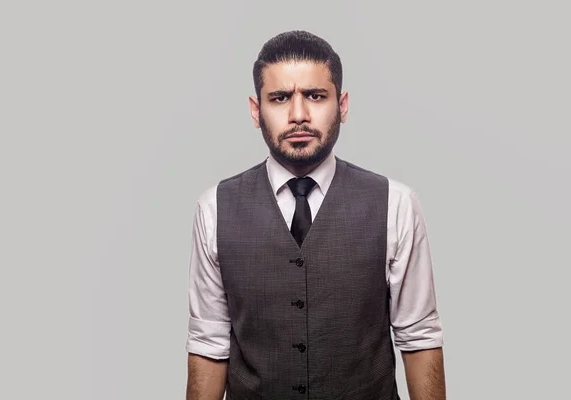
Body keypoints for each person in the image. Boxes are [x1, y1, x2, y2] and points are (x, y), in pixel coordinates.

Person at [185, 30, 446, 400]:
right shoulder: (214, 208)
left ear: (342, 105)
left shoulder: (396, 204)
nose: (298, 115)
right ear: (256, 111)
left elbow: (419, 338)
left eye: (315, 95)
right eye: (279, 98)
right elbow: (208, 344)